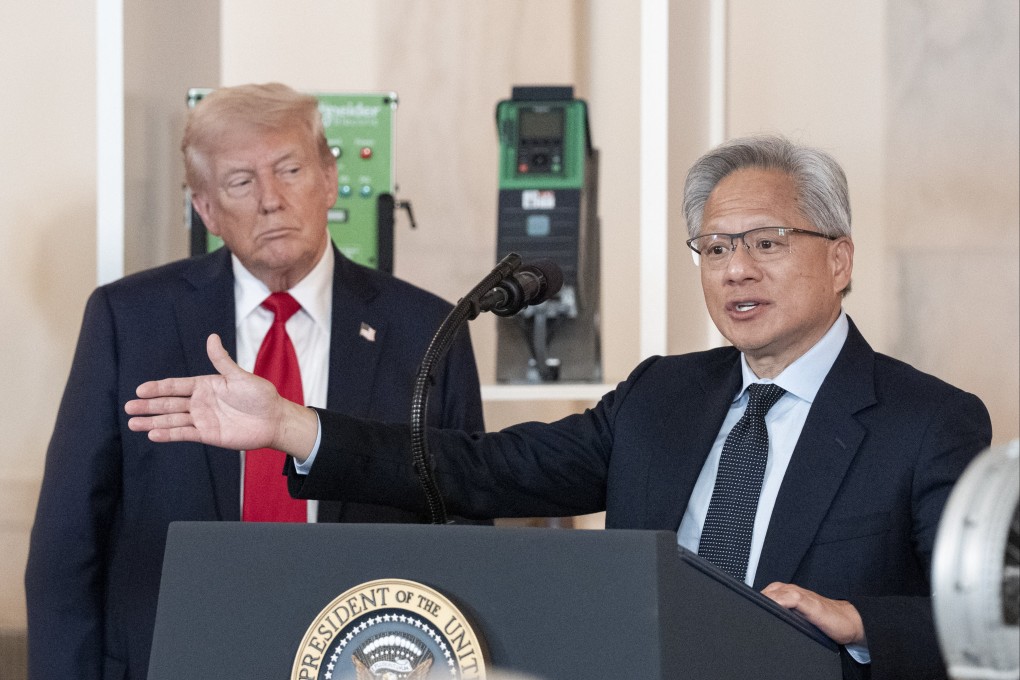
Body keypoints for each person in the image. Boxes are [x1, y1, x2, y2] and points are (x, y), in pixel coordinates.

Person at [125, 134, 992, 680]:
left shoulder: (929, 422)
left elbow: (987, 622)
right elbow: (482, 468)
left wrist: (861, 622)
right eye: (715, 247)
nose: (735, 270)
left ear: (838, 259)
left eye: (767, 243)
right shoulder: (663, 395)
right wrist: (289, 425)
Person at [26, 83, 484, 680]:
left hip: (368, 661)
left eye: (290, 169)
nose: (271, 200)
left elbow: (468, 532)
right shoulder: (130, 321)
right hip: (172, 660)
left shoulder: (427, 331)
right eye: (241, 182)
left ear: (328, 177)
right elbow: (68, 544)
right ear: (206, 209)